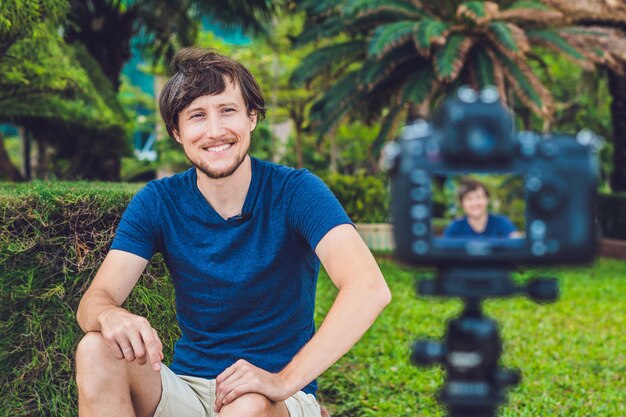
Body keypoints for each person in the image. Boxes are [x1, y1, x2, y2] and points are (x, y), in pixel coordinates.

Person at [75, 48, 391, 417]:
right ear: (177, 132)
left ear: (251, 117)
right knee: (95, 350)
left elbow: (368, 289)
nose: (215, 131)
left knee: (248, 407)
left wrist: (284, 380)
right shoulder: (158, 201)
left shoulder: (296, 191)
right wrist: (109, 315)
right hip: (189, 389)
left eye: (228, 110)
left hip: (274, 396)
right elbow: (95, 300)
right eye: (197, 116)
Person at [443, 178, 519, 239]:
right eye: (469, 199)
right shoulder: (454, 228)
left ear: (487, 199)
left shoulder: (502, 222)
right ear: (462, 203)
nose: (475, 203)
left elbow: (516, 241)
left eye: (479, 197)